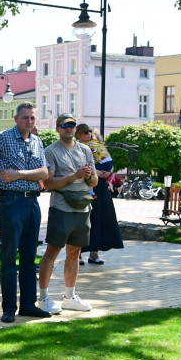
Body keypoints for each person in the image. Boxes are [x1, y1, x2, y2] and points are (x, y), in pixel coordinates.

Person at [0, 102, 49, 323]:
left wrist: (18, 174)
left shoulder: (36, 141)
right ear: (16, 119)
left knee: (28, 257)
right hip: (10, 202)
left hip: (32, 203)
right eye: (25, 118)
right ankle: (8, 308)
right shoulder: (3, 137)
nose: (29, 122)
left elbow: (44, 173)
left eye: (32, 118)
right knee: (8, 257)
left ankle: (28, 305)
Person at [37, 113, 97, 312]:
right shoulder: (51, 151)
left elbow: (94, 181)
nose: (68, 128)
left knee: (75, 251)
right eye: (64, 125)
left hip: (83, 207)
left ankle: (70, 296)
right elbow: (49, 183)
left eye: (72, 124)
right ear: (57, 129)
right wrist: (75, 175)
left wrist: (88, 176)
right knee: (52, 251)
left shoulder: (85, 150)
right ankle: (43, 298)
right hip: (61, 208)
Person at [77, 126, 123, 265]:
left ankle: (94, 253)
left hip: (101, 187)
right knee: (84, 221)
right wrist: (97, 172)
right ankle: (77, 254)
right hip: (85, 186)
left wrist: (108, 172)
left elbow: (108, 161)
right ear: (78, 135)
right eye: (85, 132)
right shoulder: (78, 148)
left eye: (90, 132)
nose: (89, 134)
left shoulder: (97, 146)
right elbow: (78, 166)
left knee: (100, 219)